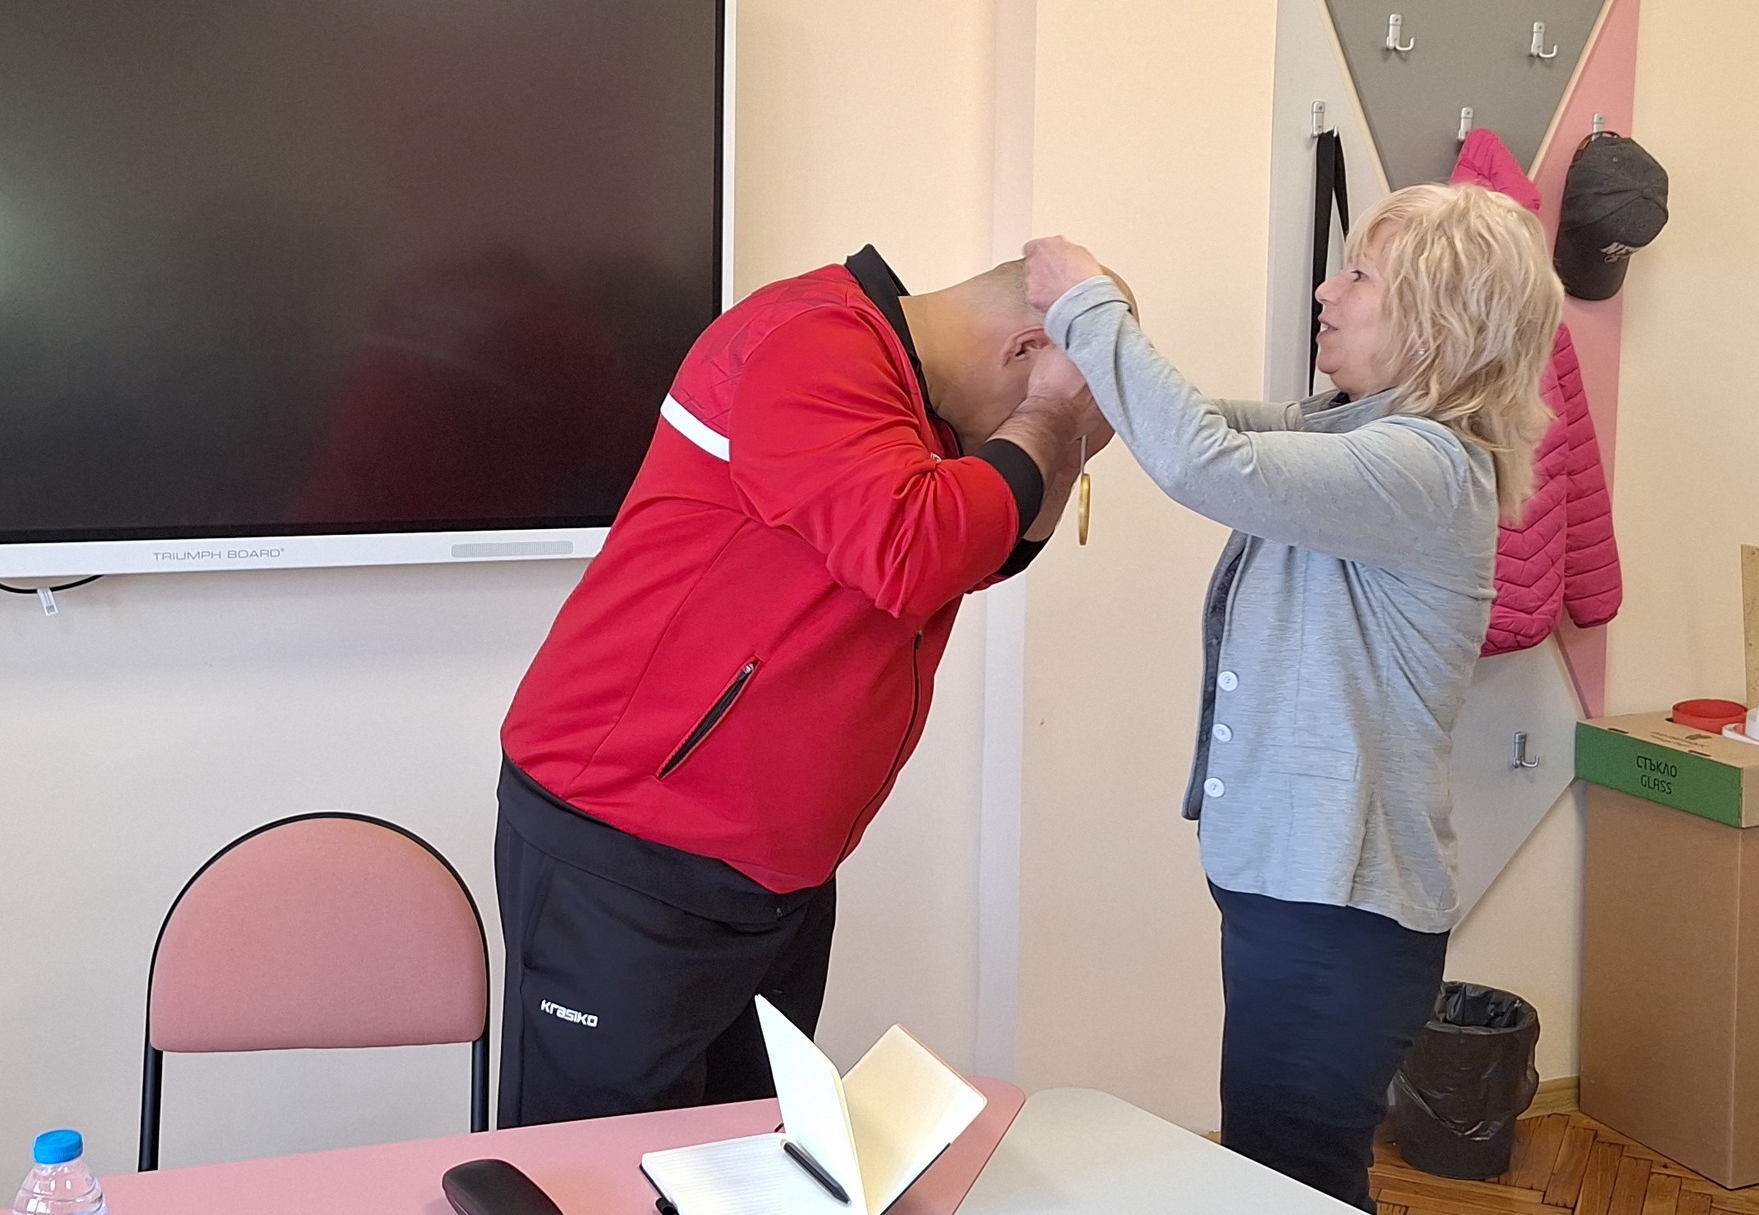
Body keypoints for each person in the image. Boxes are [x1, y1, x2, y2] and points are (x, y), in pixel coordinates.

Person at [1023, 184, 1561, 1211]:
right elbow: (1202, 425)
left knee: (1289, 1182)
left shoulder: (1422, 466)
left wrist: (1088, 303)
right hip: (1306, 895)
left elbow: (1204, 461)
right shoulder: (1355, 436)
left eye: (1358, 274)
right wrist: (1086, 375)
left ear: (1438, 318)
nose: (1326, 290)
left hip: (1340, 912)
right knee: (1282, 1174)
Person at [495, 244, 1107, 1127]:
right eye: (1069, 402)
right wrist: (1049, 417)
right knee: (592, 1166)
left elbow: (978, 555)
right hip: (631, 840)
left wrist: (1062, 443)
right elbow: (913, 550)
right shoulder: (816, 342)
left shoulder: (914, 400)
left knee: (739, 1151)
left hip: (771, 864)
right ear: (1025, 350)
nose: (1058, 433)